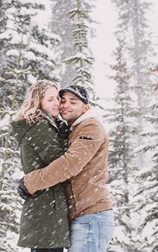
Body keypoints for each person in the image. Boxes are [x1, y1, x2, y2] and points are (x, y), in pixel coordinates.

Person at [18, 85, 115, 252]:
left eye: (73, 102)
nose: (65, 105)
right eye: (62, 101)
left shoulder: (91, 127)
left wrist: (30, 182)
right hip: (81, 217)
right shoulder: (74, 129)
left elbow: (70, 164)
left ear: (86, 107)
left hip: (91, 217)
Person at [10, 80, 71, 252]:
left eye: (57, 99)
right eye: (50, 99)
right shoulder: (39, 126)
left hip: (44, 209)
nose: (57, 103)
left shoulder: (43, 125)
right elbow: (61, 161)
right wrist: (65, 137)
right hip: (47, 211)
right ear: (38, 101)